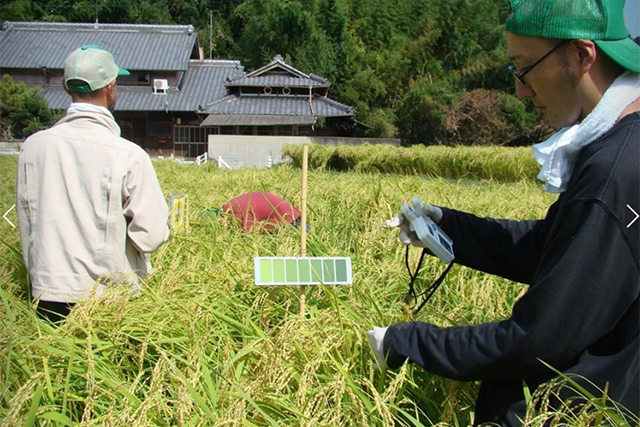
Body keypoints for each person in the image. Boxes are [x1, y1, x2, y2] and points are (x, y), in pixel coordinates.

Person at [367, 0, 639, 425]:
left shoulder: (614, 172)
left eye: (525, 67)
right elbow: (559, 248)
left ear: (582, 55)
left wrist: (408, 343)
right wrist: (449, 229)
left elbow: (539, 340)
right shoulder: (621, 149)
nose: (521, 90)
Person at [16, 45, 170, 323]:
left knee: (51, 366)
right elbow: (151, 234)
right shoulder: (129, 155)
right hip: (110, 296)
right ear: (111, 86)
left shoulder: (33, 147)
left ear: (65, 87)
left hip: (48, 292)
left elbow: (27, 222)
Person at [222, 191, 305, 233]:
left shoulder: (236, 210)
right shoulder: (232, 204)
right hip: (294, 215)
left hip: (291, 221)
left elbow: (248, 232)